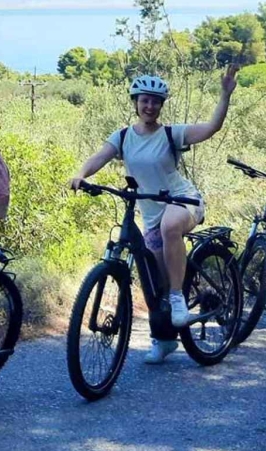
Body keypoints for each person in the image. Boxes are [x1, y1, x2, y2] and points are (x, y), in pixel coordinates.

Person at [68, 65, 238, 363]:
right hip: (150, 213)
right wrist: (81, 174)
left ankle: (178, 297)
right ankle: (163, 339)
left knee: (170, 228)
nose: (149, 106)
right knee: (150, 278)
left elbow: (211, 128)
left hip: (184, 201)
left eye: (155, 101)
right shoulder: (122, 137)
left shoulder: (171, 134)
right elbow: (100, 157)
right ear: (135, 102)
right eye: (144, 100)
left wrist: (224, 94)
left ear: (161, 106)